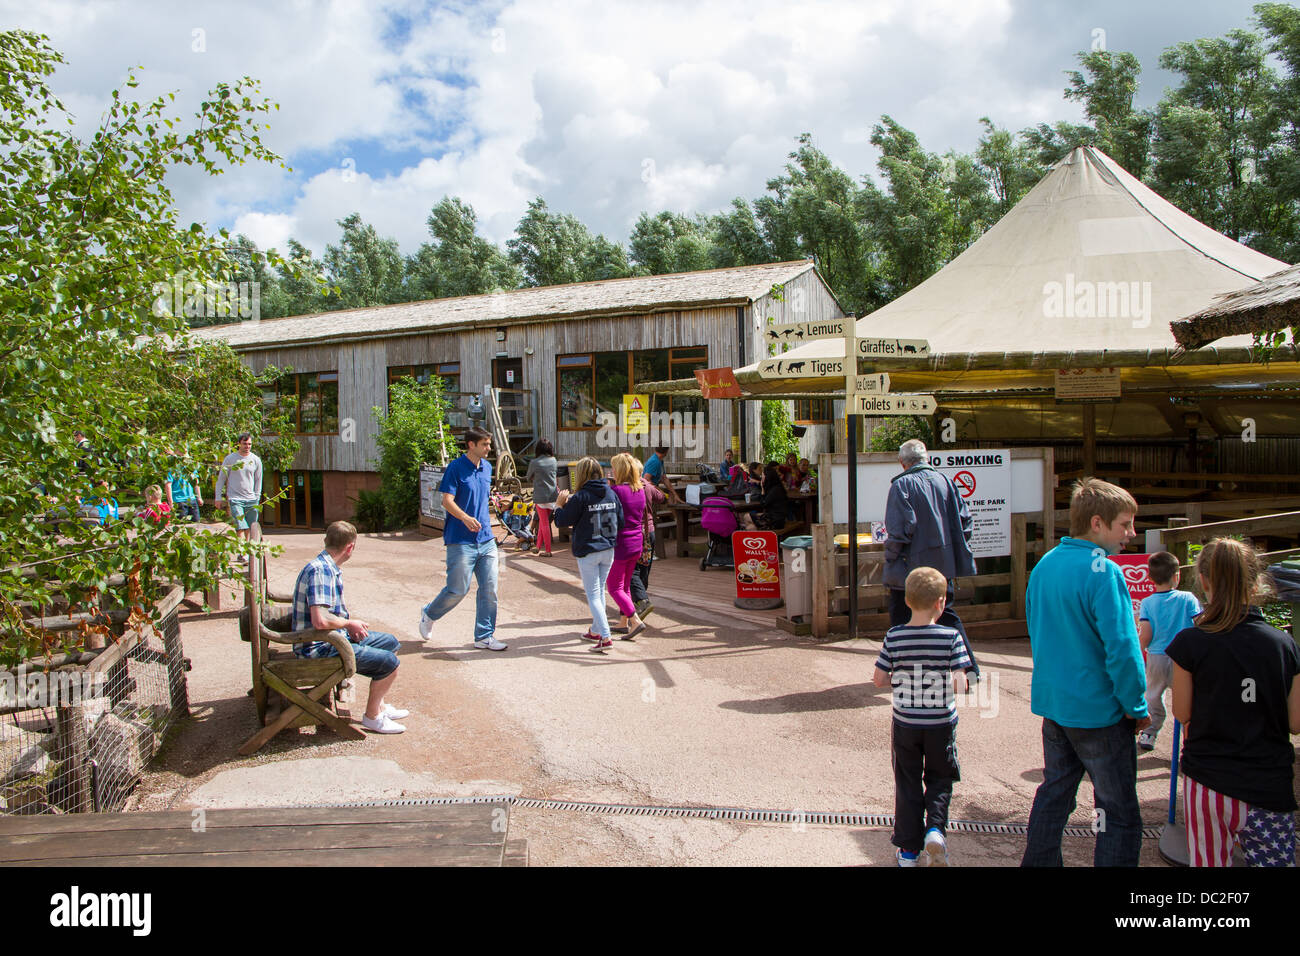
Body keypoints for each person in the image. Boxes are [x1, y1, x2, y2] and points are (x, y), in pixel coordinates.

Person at [1021, 478, 1149, 867]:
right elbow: (1123, 648)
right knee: (1118, 810)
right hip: (1099, 712)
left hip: (1055, 704)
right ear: (1097, 523)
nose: (1131, 534)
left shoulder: (1044, 564)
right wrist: (1137, 704)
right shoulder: (1105, 572)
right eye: (1124, 525)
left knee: (1055, 793)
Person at [1167, 538, 1300, 867]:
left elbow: (1182, 712)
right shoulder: (1284, 644)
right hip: (1268, 784)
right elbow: (1296, 722)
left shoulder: (1190, 643)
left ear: (1206, 581)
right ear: (1254, 582)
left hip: (1208, 779)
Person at [873, 567, 971, 867]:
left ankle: (908, 851)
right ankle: (935, 832)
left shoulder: (895, 636)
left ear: (907, 601)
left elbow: (878, 679)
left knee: (907, 781)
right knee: (941, 778)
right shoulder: (951, 637)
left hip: (905, 723)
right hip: (940, 722)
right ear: (941, 603)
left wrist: (902, 678)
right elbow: (959, 683)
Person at [293, 521, 408, 734]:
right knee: (390, 663)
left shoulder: (327, 566)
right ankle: (372, 717)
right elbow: (319, 620)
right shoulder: (321, 571)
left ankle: (379, 705)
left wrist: (348, 625)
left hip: (332, 637)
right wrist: (349, 623)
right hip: (319, 647)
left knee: (391, 642)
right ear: (349, 547)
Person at [884, 439, 980, 680]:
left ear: (902, 462)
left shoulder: (901, 485)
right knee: (946, 613)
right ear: (927, 458)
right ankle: (970, 671)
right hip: (943, 566)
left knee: (900, 615)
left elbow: (899, 530)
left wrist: (890, 557)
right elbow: (965, 521)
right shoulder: (946, 482)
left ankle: (900, 670)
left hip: (909, 568)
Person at [418, 427, 505, 651]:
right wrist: (465, 518)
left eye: (489, 444)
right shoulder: (455, 468)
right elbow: (447, 501)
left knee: (490, 588)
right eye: (485, 444)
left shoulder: (487, 467)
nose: (489, 448)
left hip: (486, 539)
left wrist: (497, 502)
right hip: (460, 540)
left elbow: (482, 496)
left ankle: (484, 636)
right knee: (457, 589)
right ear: (471, 445)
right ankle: (429, 613)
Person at [554, 456, 623, 653]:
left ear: (581, 474)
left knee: (593, 594)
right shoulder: (610, 493)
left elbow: (561, 522)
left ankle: (605, 635)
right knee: (599, 590)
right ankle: (595, 629)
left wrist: (559, 505)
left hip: (588, 549)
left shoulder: (581, 496)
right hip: (608, 548)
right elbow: (621, 521)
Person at [1136, 551, 1202, 751]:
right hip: (1184, 658)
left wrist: (1138, 652)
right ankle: (1189, 738)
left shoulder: (1147, 603)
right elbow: (1200, 624)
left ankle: (1149, 732)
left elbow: (1146, 634)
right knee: (1188, 697)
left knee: (1153, 695)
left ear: (1149, 578)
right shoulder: (1188, 598)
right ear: (1177, 576)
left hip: (1157, 656)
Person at [607, 453, 653, 640]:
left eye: (614, 468)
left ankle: (634, 620)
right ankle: (623, 621)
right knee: (624, 585)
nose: (612, 471)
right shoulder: (639, 489)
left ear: (620, 471)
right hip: (636, 542)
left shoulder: (616, 491)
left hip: (621, 543)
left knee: (613, 587)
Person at [215, 433, 263, 544]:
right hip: (235, 498)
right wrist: (218, 497)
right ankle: (241, 551)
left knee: (250, 528)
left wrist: (257, 497)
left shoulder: (256, 460)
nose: (247, 446)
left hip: (251, 499)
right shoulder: (230, 459)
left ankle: (247, 550)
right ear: (239, 444)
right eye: (245, 444)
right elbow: (221, 479)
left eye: (250, 444)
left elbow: (258, 480)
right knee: (240, 526)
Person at [526, 439, 558, 557]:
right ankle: (538, 547)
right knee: (543, 521)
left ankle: (548, 551)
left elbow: (528, 477)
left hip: (540, 497)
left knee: (543, 524)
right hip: (553, 496)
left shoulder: (534, 462)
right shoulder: (554, 461)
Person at [166, 453, 204, 524]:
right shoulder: (173, 470)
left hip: (192, 500)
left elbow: (196, 483)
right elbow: (168, 485)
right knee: (180, 524)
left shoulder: (191, 469)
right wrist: (171, 502)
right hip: (179, 501)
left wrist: (199, 497)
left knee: (195, 522)